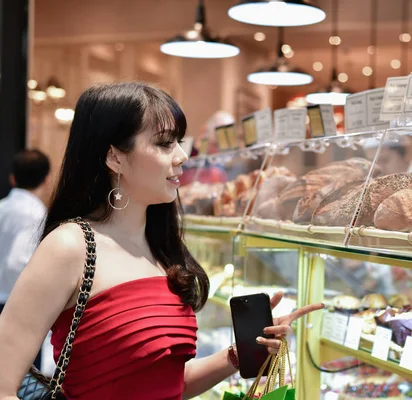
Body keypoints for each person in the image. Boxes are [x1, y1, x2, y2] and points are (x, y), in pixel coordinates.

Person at [0, 82, 323, 400]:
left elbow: (166, 385)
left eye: (179, 142)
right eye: (165, 143)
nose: (182, 156)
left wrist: (241, 352)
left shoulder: (161, 249)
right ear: (115, 158)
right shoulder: (70, 246)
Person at [0, 149, 50, 370]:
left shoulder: (2, 207)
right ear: (46, 179)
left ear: (13, 177)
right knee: (25, 376)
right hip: (18, 303)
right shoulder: (34, 213)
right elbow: (17, 261)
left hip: (3, 299)